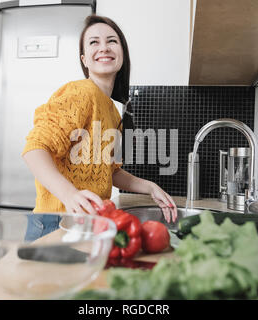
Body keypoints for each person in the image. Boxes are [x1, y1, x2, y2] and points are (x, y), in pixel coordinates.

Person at [22, 15, 177, 237]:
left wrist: (149, 187)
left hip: (86, 222)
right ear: (84, 59)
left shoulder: (113, 111)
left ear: (122, 54)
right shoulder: (81, 92)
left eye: (112, 41)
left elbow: (109, 171)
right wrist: (69, 194)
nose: (104, 47)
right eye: (94, 42)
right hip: (56, 223)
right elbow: (34, 150)